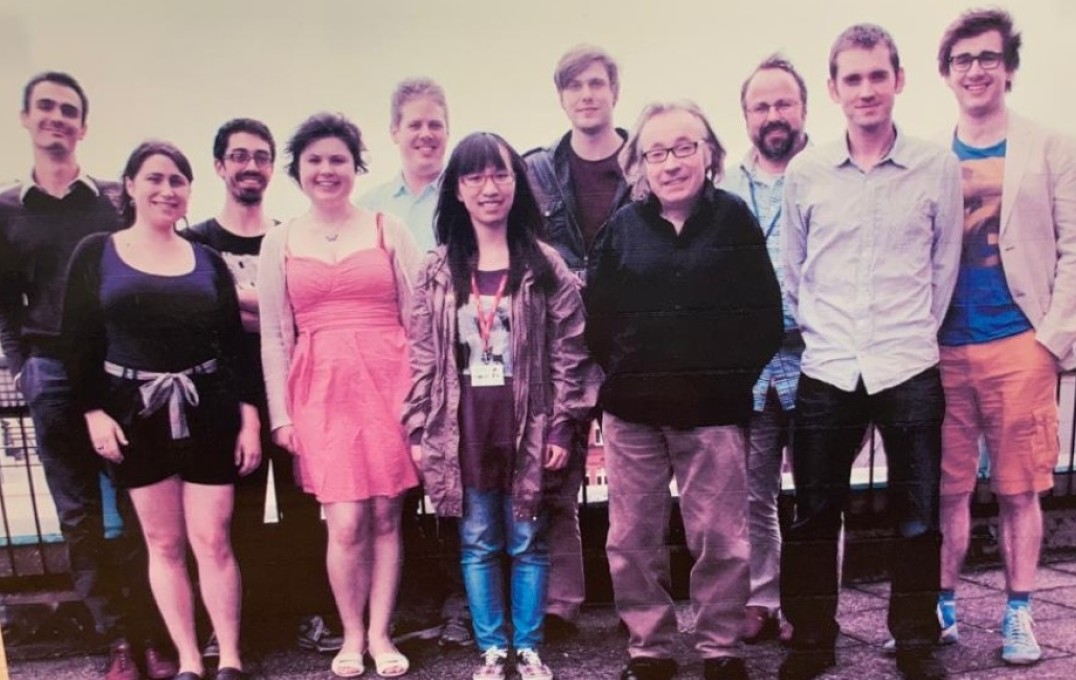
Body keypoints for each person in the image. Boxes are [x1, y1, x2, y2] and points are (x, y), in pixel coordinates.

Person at [777, 24, 963, 680]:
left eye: (877, 75)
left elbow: (944, 266)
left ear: (899, 80)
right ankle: (811, 640)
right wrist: (830, 332)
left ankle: (914, 640)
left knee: (917, 514)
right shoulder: (807, 172)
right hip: (828, 366)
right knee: (813, 514)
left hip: (908, 362)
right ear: (833, 90)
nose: (865, 90)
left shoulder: (937, 167)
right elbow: (795, 269)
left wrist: (909, 332)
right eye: (851, 79)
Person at [586, 100, 783, 680]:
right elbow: (599, 320)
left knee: (722, 540)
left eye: (683, 148)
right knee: (631, 541)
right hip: (633, 416)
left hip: (713, 415)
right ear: (639, 165)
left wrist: (723, 383)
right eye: (656, 152)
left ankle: (720, 647)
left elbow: (763, 317)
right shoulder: (620, 229)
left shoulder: (734, 221)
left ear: (708, 154)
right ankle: (650, 649)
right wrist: (630, 375)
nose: (670, 163)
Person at [402, 131, 600, 680]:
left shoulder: (544, 264)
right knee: (478, 539)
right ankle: (492, 649)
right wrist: (420, 430)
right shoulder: (437, 268)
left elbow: (573, 350)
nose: (489, 187)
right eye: (474, 176)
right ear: (457, 191)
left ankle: (528, 646)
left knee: (528, 536)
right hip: (463, 425)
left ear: (517, 184)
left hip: (529, 424)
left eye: (500, 175)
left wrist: (563, 426)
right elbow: (421, 353)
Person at [61, 141, 261, 680]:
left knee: (213, 539)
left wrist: (248, 416)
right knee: (164, 543)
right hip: (133, 416)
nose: (166, 190)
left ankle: (231, 658)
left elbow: (234, 345)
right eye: (154, 178)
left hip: (208, 409)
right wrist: (93, 414)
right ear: (130, 185)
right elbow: (77, 341)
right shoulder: (97, 252)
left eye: (177, 180)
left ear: (188, 191)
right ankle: (190, 660)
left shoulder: (207, 260)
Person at [0, 72, 175, 680]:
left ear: (84, 126)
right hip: (48, 372)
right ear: (24, 117)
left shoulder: (109, 201)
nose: (56, 117)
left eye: (68, 110)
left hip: (115, 370)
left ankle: (155, 634)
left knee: (137, 506)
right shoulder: (6, 211)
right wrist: (21, 370)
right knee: (77, 516)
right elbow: (4, 305)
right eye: (44, 107)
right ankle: (118, 640)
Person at [934, 8, 1076, 666]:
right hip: (941, 349)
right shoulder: (930, 157)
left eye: (987, 57)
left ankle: (1021, 614)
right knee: (946, 488)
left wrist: (1053, 340)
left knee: (1019, 489)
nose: (975, 69)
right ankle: (942, 605)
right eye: (962, 59)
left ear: (1009, 68)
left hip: (1021, 343)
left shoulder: (1051, 145)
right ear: (946, 73)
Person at [259, 112, 421, 679]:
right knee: (345, 521)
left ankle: (381, 633)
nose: (327, 170)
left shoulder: (386, 228)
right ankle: (349, 633)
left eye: (338, 159)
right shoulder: (279, 239)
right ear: (298, 170)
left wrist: (421, 400)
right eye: (315, 160)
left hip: (388, 381)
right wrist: (281, 415)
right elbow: (277, 336)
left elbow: (419, 317)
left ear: (356, 166)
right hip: (321, 388)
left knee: (384, 516)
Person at [181, 118, 341, 655]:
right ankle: (239, 625)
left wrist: (241, 301)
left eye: (262, 156)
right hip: (222, 395)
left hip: (293, 388)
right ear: (220, 166)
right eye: (239, 155)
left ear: (274, 167)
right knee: (236, 515)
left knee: (303, 508)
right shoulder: (196, 242)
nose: (251, 165)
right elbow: (207, 314)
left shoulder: (289, 238)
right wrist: (259, 305)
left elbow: (297, 310)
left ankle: (310, 615)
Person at [360, 78, 473, 648]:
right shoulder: (371, 207)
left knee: (459, 481)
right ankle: (408, 604)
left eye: (435, 123)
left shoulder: (468, 195)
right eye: (415, 124)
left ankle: (462, 602)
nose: (426, 134)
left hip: (463, 355)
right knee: (396, 486)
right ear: (394, 132)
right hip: (393, 362)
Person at [523, 46, 630, 638]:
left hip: (631, 340)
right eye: (574, 86)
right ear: (561, 97)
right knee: (555, 477)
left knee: (635, 477)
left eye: (596, 83)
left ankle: (636, 604)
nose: (586, 95)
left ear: (614, 89)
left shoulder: (644, 162)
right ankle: (561, 602)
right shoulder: (536, 169)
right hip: (558, 340)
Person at [718, 54, 809, 645]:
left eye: (783, 103)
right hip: (748, 369)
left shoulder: (831, 173)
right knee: (753, 496)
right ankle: (763, 599)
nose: (773, 115)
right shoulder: (722, 190)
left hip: (818, 362)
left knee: (819, 495)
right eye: (761, 105)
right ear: (745, 115)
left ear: (804, 108)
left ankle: (811, 604)